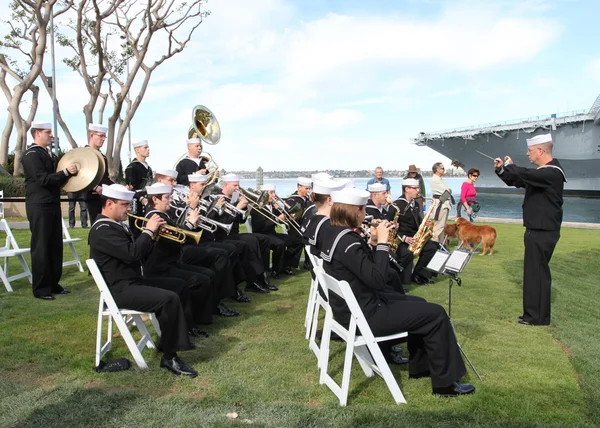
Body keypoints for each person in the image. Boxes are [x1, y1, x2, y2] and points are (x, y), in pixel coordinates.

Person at [320, 187, 475, 397]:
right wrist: (382, 243)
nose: (367, 216)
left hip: (351, 310)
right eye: (364, 211)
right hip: (366, 315)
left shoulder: (334, 233)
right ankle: (445, 385)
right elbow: (377, 279)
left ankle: (422, 368)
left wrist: (373, 242)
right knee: (436, 314)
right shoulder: (348, 242)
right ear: (356, 212)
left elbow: (361, 270)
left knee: (419, 303)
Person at [88, 184, 197, 376]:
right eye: (124, 205)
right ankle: (170, 357)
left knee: (179, 286)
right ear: (109, 204)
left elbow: (139, 254)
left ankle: (171, 338)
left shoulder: (113, 225)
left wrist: (153, 236)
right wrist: (148, 231)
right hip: (120, 290)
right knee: (169, 299)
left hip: (133, 282)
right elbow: (132, 254)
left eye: (129, 204)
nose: (129, 209)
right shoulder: (102, 229)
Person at [494, 133, 566, 326]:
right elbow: (518, 180)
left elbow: (525, 174)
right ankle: (532, 314)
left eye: (530, 150)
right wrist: (502, 171)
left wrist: (511, 166)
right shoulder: (543, 174)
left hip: (542, 230)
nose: (528, 154)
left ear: (541, 151)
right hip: (538, 229)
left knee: (537, 273)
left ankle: (537, 317)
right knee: (534, 272)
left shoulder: (551, 173)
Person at [22, 121, 78, 300]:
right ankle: (41, 288)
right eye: (47, 132)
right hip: (39, 205)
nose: (51, 135)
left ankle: (53, 283)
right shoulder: (31, 155)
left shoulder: (50, 155)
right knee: (41, 246)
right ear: (37, 133)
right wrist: (66, 173)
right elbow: (42, 179)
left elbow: (56, 179)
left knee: (55, 245)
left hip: (52, 204)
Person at [393, 179, 439, 286]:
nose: (418, 190)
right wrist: (404, 238)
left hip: (415, 237)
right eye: (415, 188)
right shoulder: (397, 205)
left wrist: (424, 223)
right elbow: (391, 227)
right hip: (402, 241)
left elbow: (416, 221)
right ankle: (402, 279)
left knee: (433, 247)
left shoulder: (415, 204)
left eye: (418, 188)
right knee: (407, 254)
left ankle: (418, 274)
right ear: (407, 189)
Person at [84, 124, 114, 223]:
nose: (103, 139)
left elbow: (105, 178)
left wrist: (118, 187)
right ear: (92, 135)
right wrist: (96, 187)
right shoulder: (84, 153)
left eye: (104, 136)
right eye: (101, 136)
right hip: (93, 196)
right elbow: (82, 176)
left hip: (104, 196)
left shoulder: (102, 156)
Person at [125, 140, 153, 235]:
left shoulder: (149, 168)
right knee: (136, 229)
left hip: (147, 198)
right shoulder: (132, 167)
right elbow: (130, 187)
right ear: (138, 150)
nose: (148, 149)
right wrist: (141, 198)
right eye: (145, 147)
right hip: (136, 201)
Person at [430, 162, 453, 243]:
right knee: (439, 227)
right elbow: (447, 191)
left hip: (443, 203)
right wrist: (448, 192)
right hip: (441, 204)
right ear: (437, 170)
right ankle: (435, 244)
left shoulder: (439, 179)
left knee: (442, 226)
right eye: (442, 168)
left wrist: (448, 192)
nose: (444, 170)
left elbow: (447, 191)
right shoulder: (435, 180)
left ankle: (441, 244)